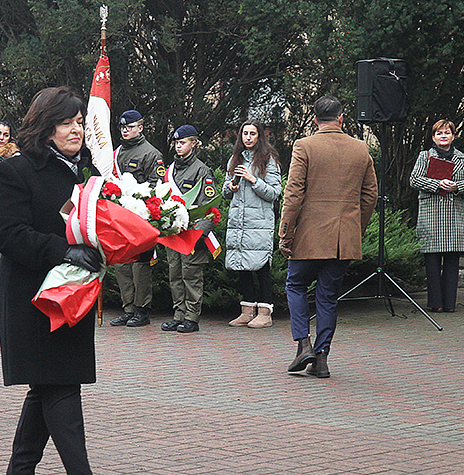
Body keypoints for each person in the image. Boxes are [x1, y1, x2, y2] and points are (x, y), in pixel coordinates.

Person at [0, 86, 114, 475]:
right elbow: (8, 234)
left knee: (50, 384)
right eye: (67, 121)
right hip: (31, 298)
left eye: (80, 121)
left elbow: (99, 223)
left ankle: (20, 470)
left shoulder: (87, 171)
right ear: (46, 127)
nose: (77, 128)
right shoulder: (14, 171)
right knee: (59, 384)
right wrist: (62, 250)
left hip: (73, 294)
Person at [279, 95, 378, 378]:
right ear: (341, 118)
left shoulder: (304, 146)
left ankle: (303, 343)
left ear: (314, 120)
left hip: (309, 235)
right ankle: (321, 359)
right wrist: (354, 226)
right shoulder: (360, 148)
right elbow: (370, 195)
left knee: (295, 285)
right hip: (343, 237)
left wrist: (286, 232)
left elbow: (294, 192)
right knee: (328, 298)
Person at [409, 119, 464, 312]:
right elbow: (414, 179)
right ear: (433, 137)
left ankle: (449, 304)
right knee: (432, 261)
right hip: (431, 214)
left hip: (454, 214)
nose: (443, 136)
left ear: (453, 136)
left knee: (451, 261)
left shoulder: (463, 158)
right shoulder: (425, 156)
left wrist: (457, 186)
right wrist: (436, 184)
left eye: (447, 132)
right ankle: (435, 304)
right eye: (439, 133)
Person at [222, 120, 283, 328]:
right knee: (242, 265)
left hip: (260, 223)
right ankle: (246, 310)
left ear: (259, 137)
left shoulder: (268, 159)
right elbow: (224, 192)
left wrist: (253, 179)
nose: (248, 137)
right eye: (245, 133)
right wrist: (231, 186)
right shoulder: (235, 158)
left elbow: (275, 192)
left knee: (262, 268)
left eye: (252, 134)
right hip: (239, 222)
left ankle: (265, 312)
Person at [160, 124, 218, 333]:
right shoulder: (170, 170)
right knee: (175, 274)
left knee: (191, 275)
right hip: (174, 233)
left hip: (192, 233)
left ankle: (192, 317)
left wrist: (200, 233)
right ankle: (178, 315)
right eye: (176, 143)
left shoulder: (202, 170)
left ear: (194, 144)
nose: (178, 147)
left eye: (182, 143)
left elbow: (209, 205)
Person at [110, 109, 163, 328]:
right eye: (123, 128)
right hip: (120, 217)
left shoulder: (151, 153)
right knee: (122, 263)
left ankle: (142, 309)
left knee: (140, 265)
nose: (125, 131)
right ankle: (128, 308)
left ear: (140, 128)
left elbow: (157, 185)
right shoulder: (116, 153)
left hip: (141, 217)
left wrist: (133, 195)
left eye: (130, 127)